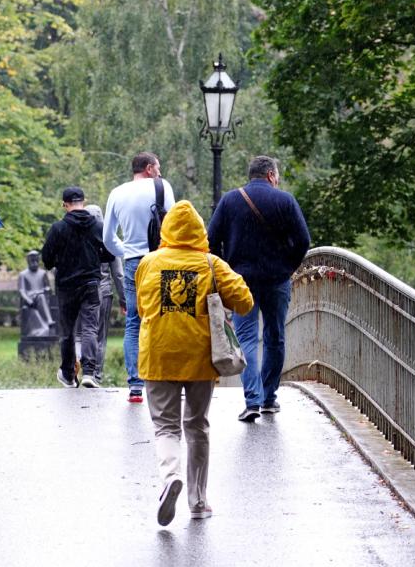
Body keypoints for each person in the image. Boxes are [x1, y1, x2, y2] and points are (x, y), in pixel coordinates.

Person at [136, 200, 253, 526]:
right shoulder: (213, 264)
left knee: (166, 426)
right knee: (197, 425)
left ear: (166, 231)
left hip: (158, 355)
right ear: (200, 231)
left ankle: (171, 476)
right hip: (201, 357)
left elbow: (143, 309)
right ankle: (198, 501)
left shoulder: (148, 263)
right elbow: (245, 302)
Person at [207, 155, 311, 422]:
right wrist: (288, 266)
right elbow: (303, 240)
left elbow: (211, 241)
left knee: (246, 339)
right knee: (275, 337)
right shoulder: (285, 200)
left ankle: (252, 400)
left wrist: (227, 270)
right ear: (271, 176)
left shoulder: (230, 201)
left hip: (242, 282)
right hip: (277, 280)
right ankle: (268, 398)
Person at [103, 152, 175, 403]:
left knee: (134, 321)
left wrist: (128, 251)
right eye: (158, 166)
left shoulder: (116, 193)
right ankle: (168, 378)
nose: (160, 171)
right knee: (166, 316)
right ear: (148, 168)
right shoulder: (162, 187)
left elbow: (108, 238)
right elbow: (175, 224)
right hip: (162, 259)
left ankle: (135, 385)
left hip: (134, 263)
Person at [41, 186, 114, 389]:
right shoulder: (98, 226)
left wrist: (58, 261)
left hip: (66, 286)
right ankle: (90, 372)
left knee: (67, 332)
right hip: (91, 284)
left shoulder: (58, 228)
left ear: (65, 205)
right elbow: (109, 254)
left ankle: (68, 374)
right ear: (84, 201)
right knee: (90, 328)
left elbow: (46, 258)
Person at [77, 204, 126, 383]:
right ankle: (95, 374)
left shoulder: (77, 238)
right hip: (103, 292)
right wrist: (123, 299)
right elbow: (118, 274)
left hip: (80, 292)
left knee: (81, 333)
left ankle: (78, 366)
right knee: (99, 336)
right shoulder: (108, 240)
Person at [18, 250, 55, 337]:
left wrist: (47, 289)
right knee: (41, 297)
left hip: (41, 296)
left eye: (36, 261)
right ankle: (49, 320)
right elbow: (22, 290)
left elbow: (47, 287)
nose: (34, 263)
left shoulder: (42, 273)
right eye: (32, 261)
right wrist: (28, 300)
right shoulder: (23, 274)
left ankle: (48, 323)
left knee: (41, 297)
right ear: (28, 261)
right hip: (30, 299)